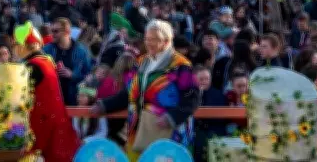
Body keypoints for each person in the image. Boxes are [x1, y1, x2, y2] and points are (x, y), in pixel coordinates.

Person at [92, 20, 199, 160]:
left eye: (155, 39)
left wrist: (172, 117)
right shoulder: (141, 62)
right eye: (148, 39)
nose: (150, 43)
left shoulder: (181, 66)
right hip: (139, 131)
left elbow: (192, 98)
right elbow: (129, 93)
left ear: (167, 41)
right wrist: (105, 105)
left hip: (170, 133)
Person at [18, 22, 81, 161]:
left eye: (17, 45)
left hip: (44, 127)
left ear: (24, 46)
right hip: (57, 125)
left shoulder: (33, 66)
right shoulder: (47, 61)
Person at [43, 18, 93, 105]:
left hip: (74, 100)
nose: (52, 34)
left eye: (55, 31)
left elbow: (89, 77)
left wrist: (72, 75)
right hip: (52, 101)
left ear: (67, 32)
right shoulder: (46, 50)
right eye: (51, 31)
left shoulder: (81, 51)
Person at [193, 67, 228, 162]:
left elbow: (220, 117)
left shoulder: (218, 94)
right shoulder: (190, 94)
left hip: (215, 128)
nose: (204, 82)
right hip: (197, 130)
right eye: (201, 79)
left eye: (207, 79)